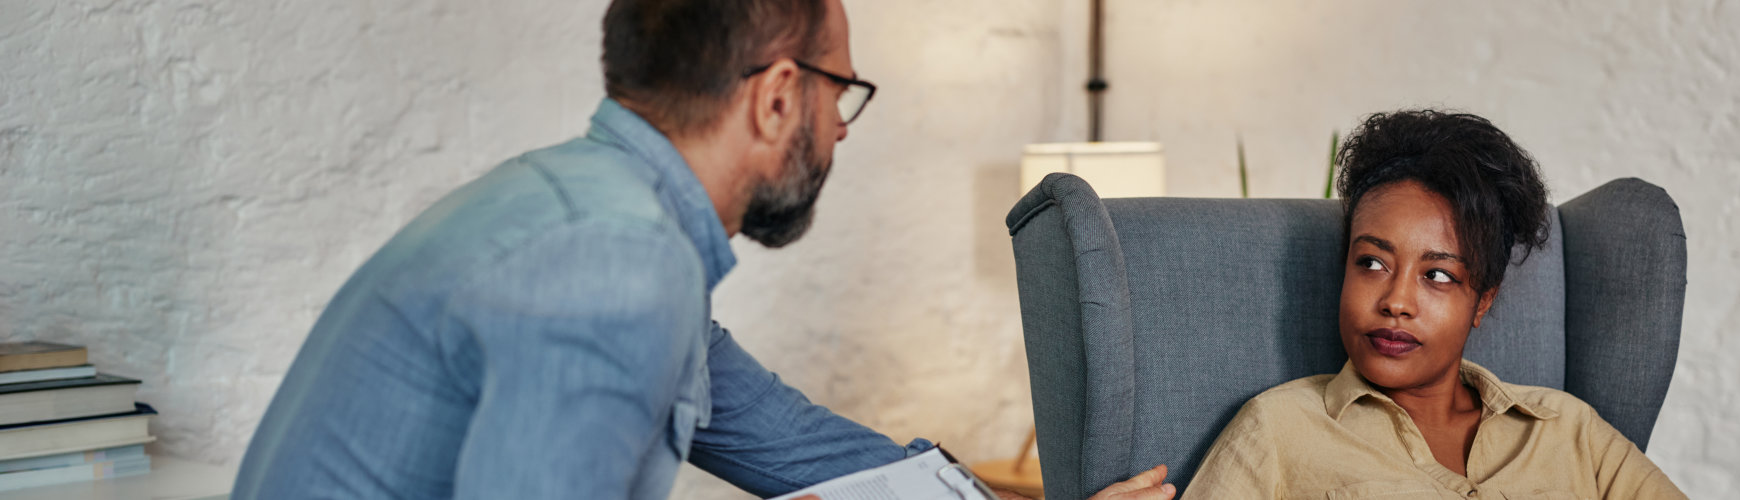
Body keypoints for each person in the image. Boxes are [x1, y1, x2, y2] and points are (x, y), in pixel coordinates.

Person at [231, 1, 1175, 499]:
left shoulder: (600, 215)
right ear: (774, 97)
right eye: (839, 94)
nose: (842, 131)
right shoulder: (615, 265)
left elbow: (795, 441)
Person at [1182, 110, 1687, 499]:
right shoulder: (1277, 428)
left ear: (1482, 302)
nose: (1396, 302)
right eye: (1372, 264)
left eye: (1438, 275)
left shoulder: (1570, 430)